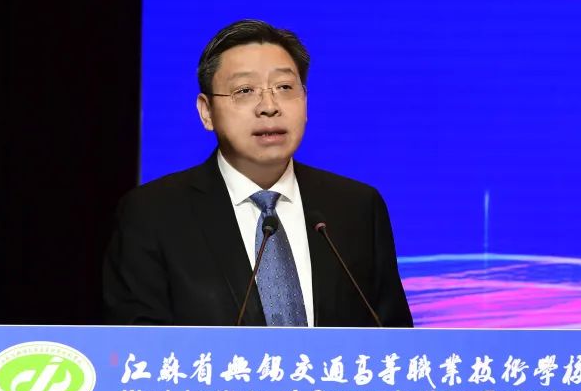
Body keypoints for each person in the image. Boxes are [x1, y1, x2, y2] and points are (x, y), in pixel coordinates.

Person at [103, 19, 413, 328]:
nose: (269, 106)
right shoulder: (153, 214)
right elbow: (137, 345)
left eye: (285, 88)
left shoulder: (357, 208)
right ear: (206, 112)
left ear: (305, 101)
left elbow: (395, 339)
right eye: (245, 90)